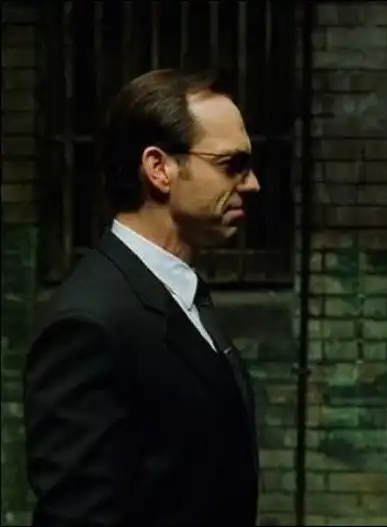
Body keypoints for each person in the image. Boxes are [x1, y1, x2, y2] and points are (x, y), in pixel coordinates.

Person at [23, 68, 261, 526]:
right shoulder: (90, 322)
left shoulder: (177, 290)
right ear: (159, 168)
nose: (252, 184)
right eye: (232, 164)